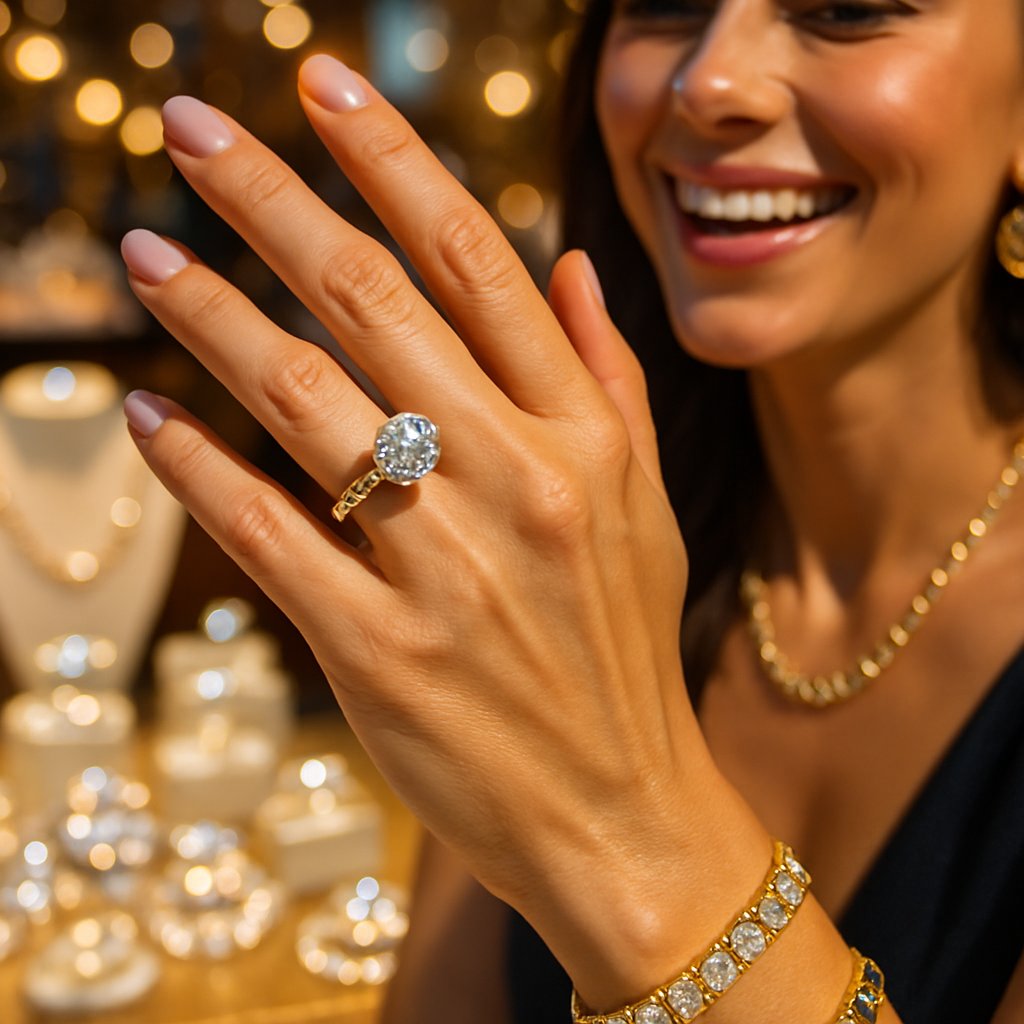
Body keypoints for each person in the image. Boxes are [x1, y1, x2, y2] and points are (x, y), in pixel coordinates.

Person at [117, 0, 1024, 1019]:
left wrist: (633, 830)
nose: (708, 81)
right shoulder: (570, 527)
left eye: (847, 9)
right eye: (666, 4)